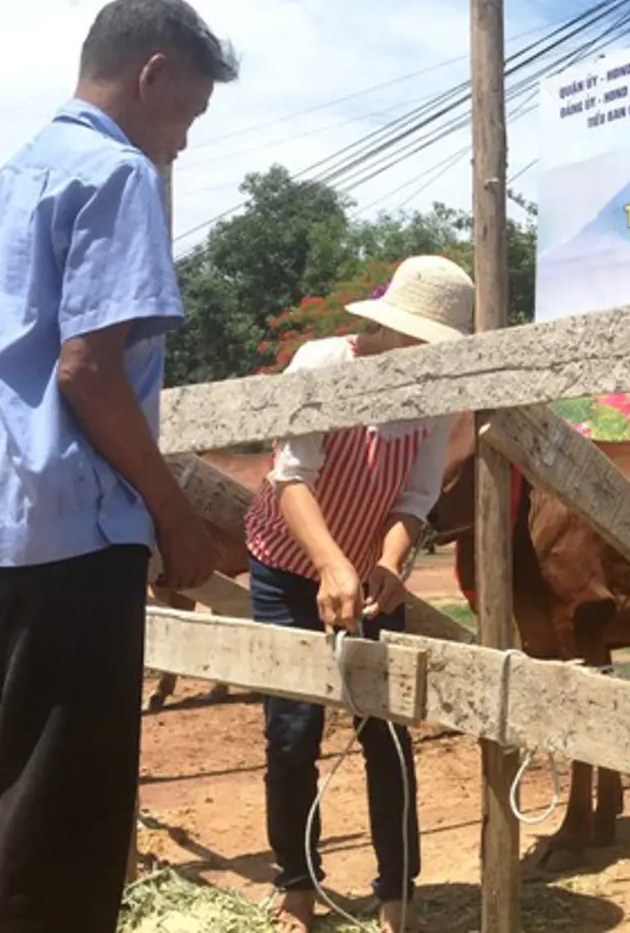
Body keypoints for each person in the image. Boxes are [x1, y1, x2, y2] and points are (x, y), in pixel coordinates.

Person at [0, 0, 237, 930]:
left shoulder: (6, 182)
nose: (182, 142)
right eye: (188, 111)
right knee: (67, 825)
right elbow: (89, 368)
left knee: (26, 794)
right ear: (154, 74)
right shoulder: (116, 175)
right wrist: (176, 515)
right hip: (73, 531)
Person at [243, 254, 473, 933]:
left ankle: (398, 891)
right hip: (289, 564)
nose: (424, 355)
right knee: (292, 733)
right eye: (417, 342)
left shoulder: (434, 393)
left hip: (373, 570)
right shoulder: (322, 364)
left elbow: (417, 495)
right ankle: (295, 886)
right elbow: (291, 477)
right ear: (389, 331)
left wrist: (388, 561)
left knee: (388, 735)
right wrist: (330, 567)